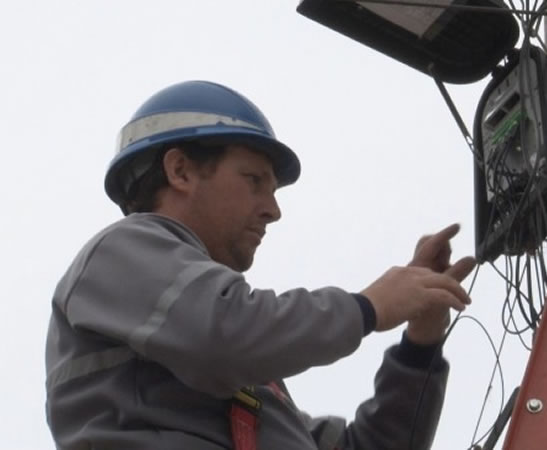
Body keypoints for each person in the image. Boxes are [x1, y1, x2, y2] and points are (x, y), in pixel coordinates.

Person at [44, 80, 476, 450]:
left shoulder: (248, 394)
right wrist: (369, 306)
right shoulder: (121, 252)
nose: (273, 210)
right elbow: (226, 331)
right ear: (180, 171)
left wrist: (421, 342)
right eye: (254, 181)